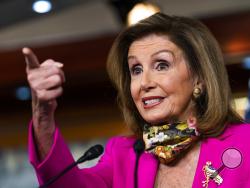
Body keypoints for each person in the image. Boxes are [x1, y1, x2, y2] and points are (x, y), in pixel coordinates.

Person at [24, 13, 250, 188]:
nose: (144, 82)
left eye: (162, 65)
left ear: (199, 78)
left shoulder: (244, 142)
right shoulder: (124, 154)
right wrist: (43, 116)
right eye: (136, 69)